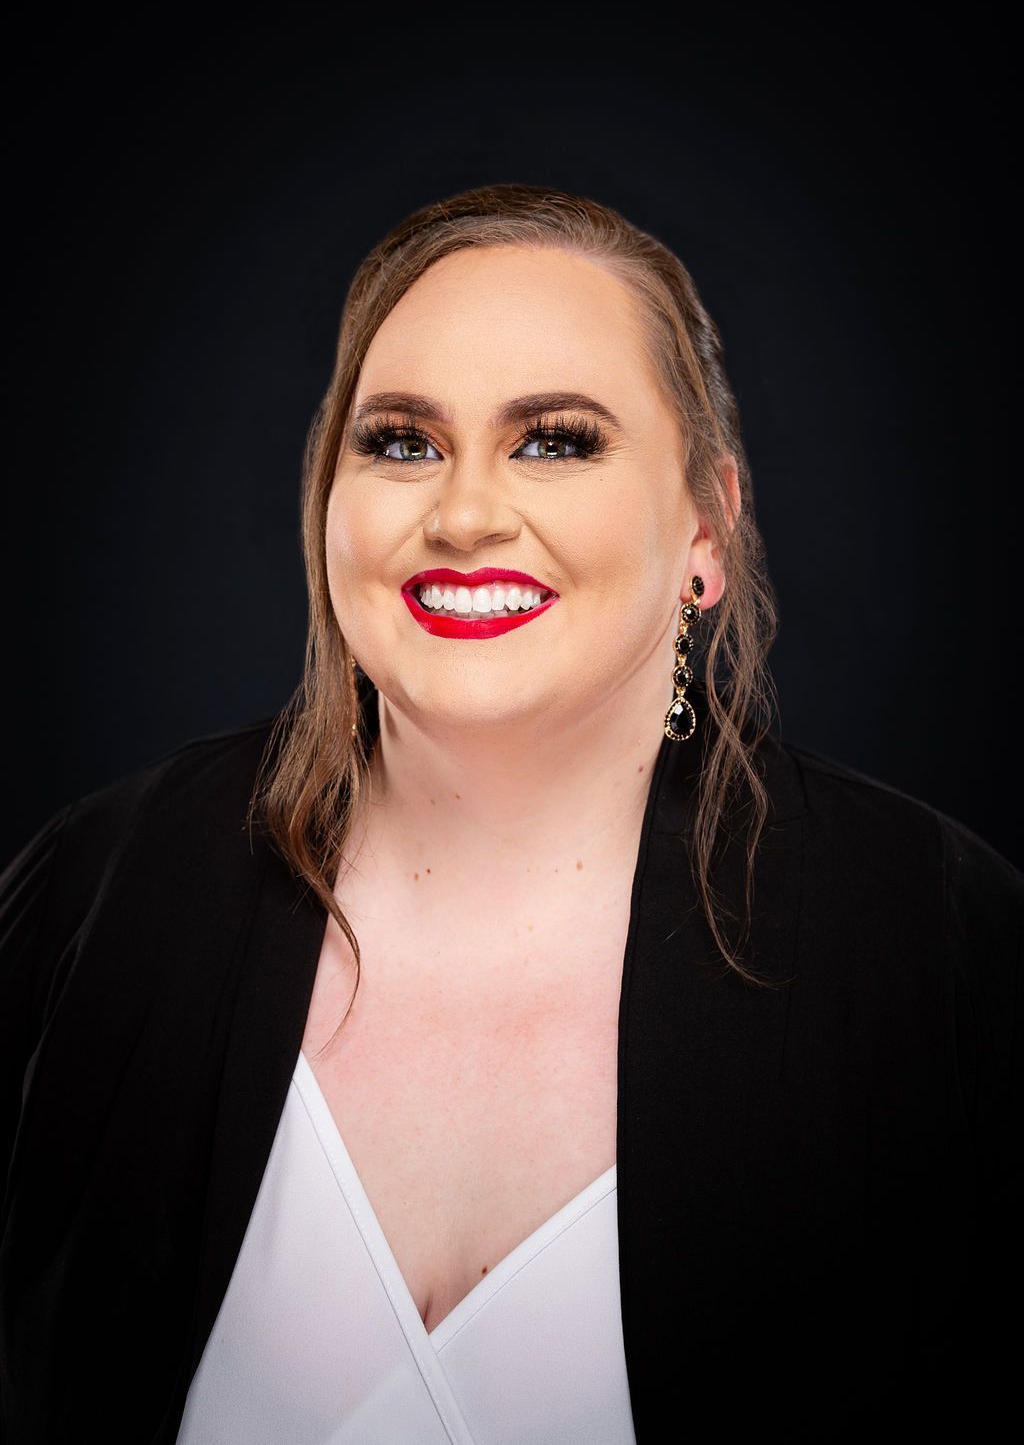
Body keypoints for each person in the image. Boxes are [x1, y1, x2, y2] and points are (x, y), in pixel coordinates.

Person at [1, 183, 1020, 1445]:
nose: (466, 511)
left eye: (556, 439)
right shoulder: (99, 891)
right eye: (401, 441)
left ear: (708, 523)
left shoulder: (935, 941)